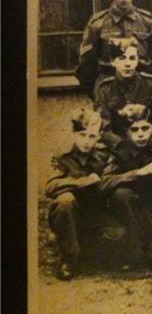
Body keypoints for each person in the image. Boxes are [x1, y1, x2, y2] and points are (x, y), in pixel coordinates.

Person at [101, 104, 152, 268]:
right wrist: (137, 173)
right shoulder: (120, 151)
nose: (141, 133)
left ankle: (145, 247)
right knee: (122, 194)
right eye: (134, 130)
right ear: (126, 132)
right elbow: (104, 183)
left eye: (145, 128)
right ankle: (132, 250)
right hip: (130, 210)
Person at [46, 108, 111, 280]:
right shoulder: (62, 156)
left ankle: (88, 249)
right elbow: (51, 186)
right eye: (82, 135)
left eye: (92, 136)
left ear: (98, 137)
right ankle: (68, 258)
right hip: (71, 213)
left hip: (96, 210)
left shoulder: (103, 155)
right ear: (74, 134)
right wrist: (81, 182)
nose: (87, 141)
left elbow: (110, 180)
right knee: (64, 201)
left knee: (114, 241)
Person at [76, 0, 152, 96]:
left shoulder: (147, 21)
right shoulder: (98, 24)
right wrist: (99, 93)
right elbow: (85, 66)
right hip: (108, 89)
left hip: (140, 89)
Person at [93, 37, 152, 149]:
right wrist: (123, 145)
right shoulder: (104, 89)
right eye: (122, 58)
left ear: (138, 60)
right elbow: (103, 128)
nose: (127, 64)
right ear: (113, 61)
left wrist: (149, 140)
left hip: (150, 146)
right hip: (120, 149)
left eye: (132, 58)